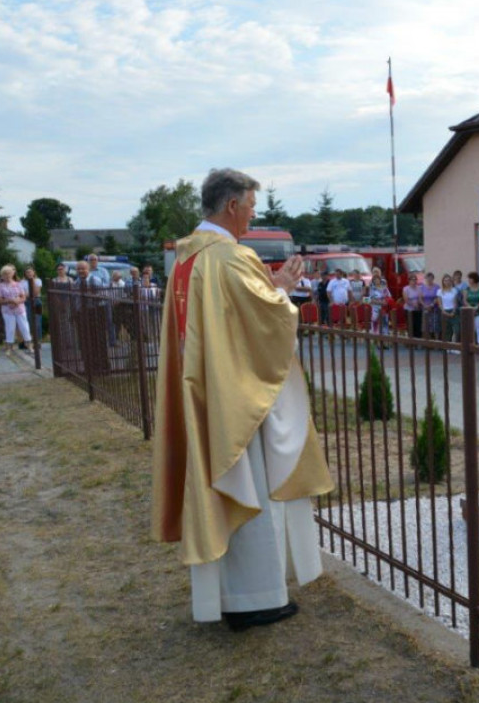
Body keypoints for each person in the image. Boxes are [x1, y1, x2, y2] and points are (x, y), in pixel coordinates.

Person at [151, 168, 333, 631]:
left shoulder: (188, 257)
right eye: (251, 206)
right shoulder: (230, 258)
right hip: (235, 400)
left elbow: (233, 319)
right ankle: (255, 600)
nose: (253, 215)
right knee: (248, 490)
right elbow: (265, 320)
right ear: (231, 205)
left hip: (206, 392)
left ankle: (232, 595)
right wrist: (285, 293)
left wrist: (272, 291)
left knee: (219, 489)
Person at [0, 264, 32, 353]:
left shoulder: (18, 284)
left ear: (12, 274)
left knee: (24, 327)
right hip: (7, 310)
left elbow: (23, 297)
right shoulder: (0, 286)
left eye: (9, 273)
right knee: (10, 328)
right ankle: (9, 347)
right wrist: (10, 301)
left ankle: (29, 345)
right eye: (5, 274)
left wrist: (17, 302)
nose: (7, 276)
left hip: (20, 309)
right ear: (2, 275)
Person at [437, 274, 461, 343]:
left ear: (451, 281)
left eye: (448, 280)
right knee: (447, 331)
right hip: (444, 311)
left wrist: (453, 312)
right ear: (443, 282)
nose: (447, 282)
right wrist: (444, 311)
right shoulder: (440, 291)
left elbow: (455, 302)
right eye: (445, 280)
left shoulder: (454, 290)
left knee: (456, 330)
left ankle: (454, 345)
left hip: (453, 311)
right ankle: (447, 347)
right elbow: (440, 303)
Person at [23, 266, 43, 345]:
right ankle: (30, 339)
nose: (29, 273)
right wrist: (28, 295)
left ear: (34, 272)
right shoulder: (22, 282)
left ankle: (38, 340)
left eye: (30, 272)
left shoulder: (38, 280)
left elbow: (36, 292)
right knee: (28, 321)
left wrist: (32, 281)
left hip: (37, 301)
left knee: (38, 321)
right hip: (27, 303)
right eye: (27, 272)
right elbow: (23, 295)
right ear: (25, 273)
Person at [466, 272, 479, 344]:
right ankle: (472, 344)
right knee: (471, 329)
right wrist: (471, 308)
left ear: (474, 279)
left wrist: (476, 308)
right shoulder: (467, 289)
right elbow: (465, 300)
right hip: (469, 311)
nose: (468, 280)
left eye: (470, 278)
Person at [419, 272, 440, 339]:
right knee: (426, 325)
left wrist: (431, 305)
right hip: (425, 308)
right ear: (425, 278)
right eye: (428, 278)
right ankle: (428, 343)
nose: (429, 279)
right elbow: (420, 298)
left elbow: (437, 297)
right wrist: (425, 306)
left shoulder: (437, 287)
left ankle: (437, 342)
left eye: (431, 278)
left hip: (434, 309)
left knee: (435, 325)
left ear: (433, 278)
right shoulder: (422, 287)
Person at [402, 272, 422, 338]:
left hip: (417, 309)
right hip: (409, 309)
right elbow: (406, 299)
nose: (414, 281)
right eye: (412, 280)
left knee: (418, 325)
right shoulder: (406, 289)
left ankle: (417, 340)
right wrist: (413, 304)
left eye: (415, 279)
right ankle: (411, 340)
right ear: (409, 280)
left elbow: (420, 297)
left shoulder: (419, 288)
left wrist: (418, 304)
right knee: (411, 325)